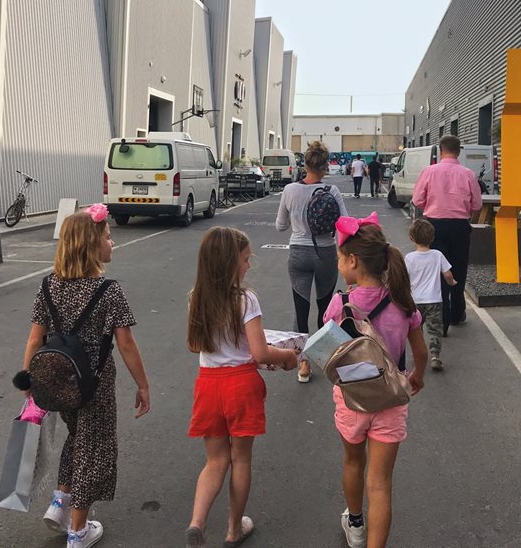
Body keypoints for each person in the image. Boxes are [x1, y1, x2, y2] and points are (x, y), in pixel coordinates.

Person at [22, 205, 150, 548]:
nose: (113, 243)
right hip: (92, 382)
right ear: (92, 246)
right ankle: (78, 532)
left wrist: (29, 380)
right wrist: (142, 384)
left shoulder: (49, 286)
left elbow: (35, 338)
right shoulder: (108, 291)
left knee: (78, 437)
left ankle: (60, 503)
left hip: (55, 378)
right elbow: (125, 344)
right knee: (95, 448)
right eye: (108, 237)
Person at [185, 227, 299, 548]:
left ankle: (197, 521)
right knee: (241, 459)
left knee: (215, 461)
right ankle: (234, 528)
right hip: (241, 385)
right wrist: (289, 355)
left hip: (208, 386)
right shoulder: (246, 300)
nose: (248, 266)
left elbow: (196, 346)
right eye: (245, 259)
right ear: (229, 263)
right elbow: (261, 352)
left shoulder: (197, 298)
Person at [323, 213, 428, 548]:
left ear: (353, 261)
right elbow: (420, 352)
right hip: (391, 399)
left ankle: (355, 525)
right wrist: (416, 376)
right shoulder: (401, 302)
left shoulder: (340, 304)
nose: (338, 265)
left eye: (340, 259)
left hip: (352, 398)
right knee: (381, 483)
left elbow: (328, 353)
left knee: (353, 460)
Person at [276, 140, 348, 382]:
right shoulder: (332, 192)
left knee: (300, 309)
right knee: (325, 309)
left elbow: (280, 226)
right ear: (325, 167)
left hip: (298, 253)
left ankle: (303, 364)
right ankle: (326, 358)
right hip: (325, 253)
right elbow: (345, 224)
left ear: (304, 163)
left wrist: (297, 221)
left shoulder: (290, 190)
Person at [411, 135, 482, 334]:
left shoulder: (429, 172)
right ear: (459, 151)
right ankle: (458, 312)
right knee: (458, 269)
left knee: (438, 270)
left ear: (441, 150)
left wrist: (431, 205)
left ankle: (442, 319)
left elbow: (417, 200)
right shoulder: (468, 174)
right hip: (459, 226)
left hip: (435, 227)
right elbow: (477, 204)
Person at [405, 219, 457, 371]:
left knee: (416, 330)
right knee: (435, 330)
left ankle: (418, 355)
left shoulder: (409, 258)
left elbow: (404, 277)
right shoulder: (437, 255)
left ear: (412, 238)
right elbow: (447, 274)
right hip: (434, 300)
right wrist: (452, 282)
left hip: (415, 301)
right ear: (432, 238)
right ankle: (435, 356)